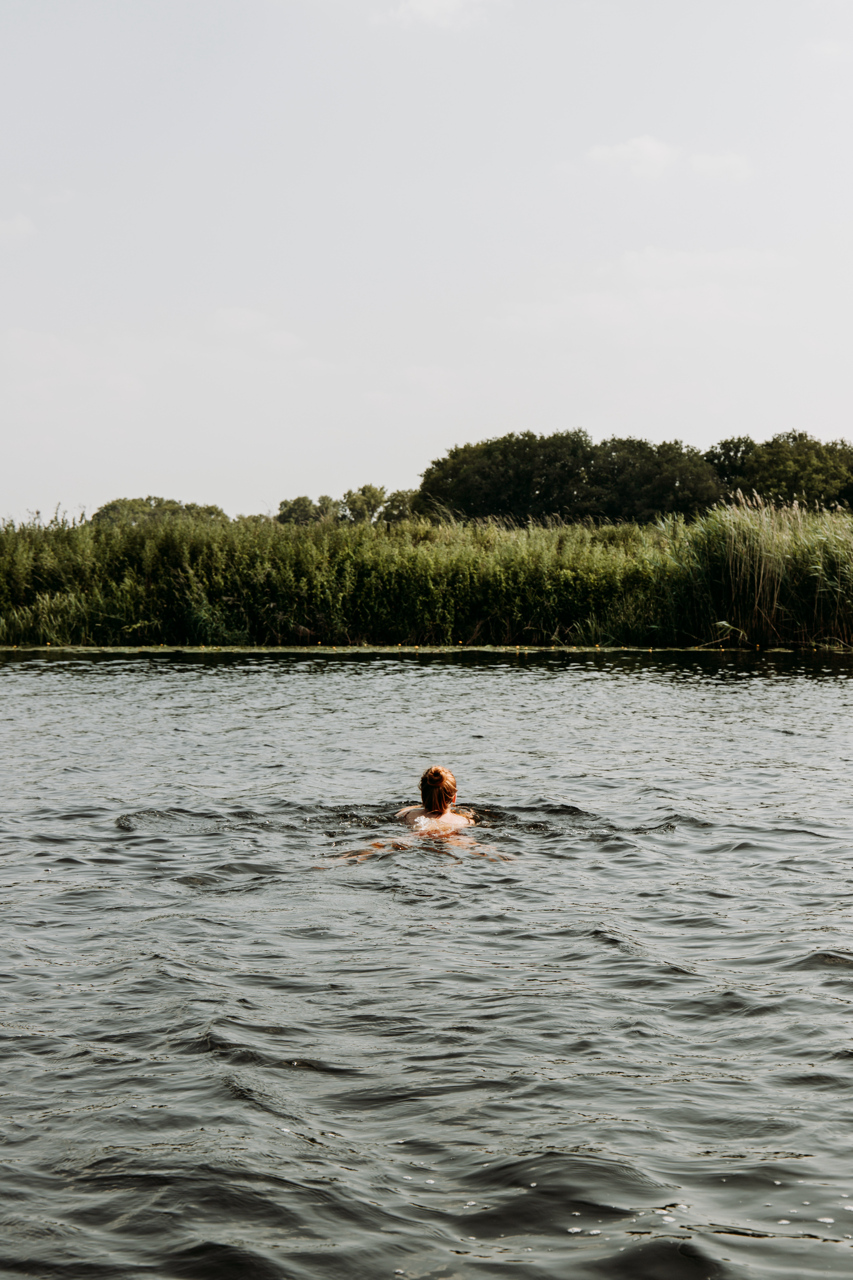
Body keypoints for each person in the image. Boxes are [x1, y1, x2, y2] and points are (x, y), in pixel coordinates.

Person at [396, 765, 474, 833]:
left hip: (420, 832)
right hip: (450, 833)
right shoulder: (466, 822)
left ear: (422, 794)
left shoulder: (406, 815)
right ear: (454, 797)